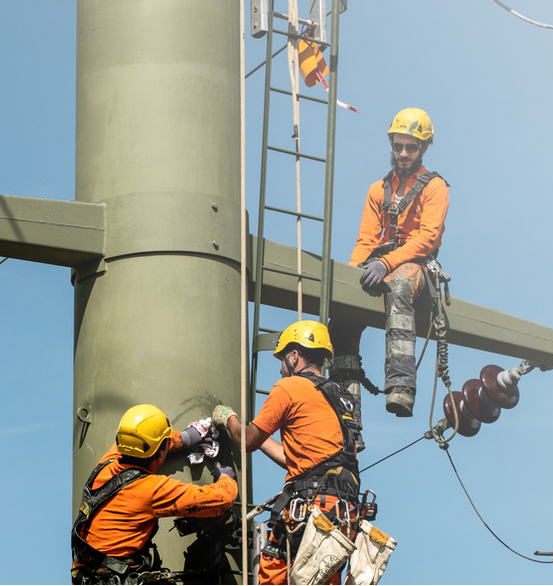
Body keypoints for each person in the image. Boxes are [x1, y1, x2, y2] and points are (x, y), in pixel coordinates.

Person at [212, 320, 360, 585]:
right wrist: (261, 438)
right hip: (342, 514)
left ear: (294, 356)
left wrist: (229, 420)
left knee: (274, 576)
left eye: (282, 360)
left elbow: (245, 441)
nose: (281, 369)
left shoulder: (289, 387)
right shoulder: (340, 397)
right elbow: (298, 459)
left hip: (309, 508)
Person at [329, 107, 449, 420]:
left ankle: (401, 386)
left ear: (424, 148)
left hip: (415, 267)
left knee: (399, 286)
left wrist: (388, 263)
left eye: (411, 147)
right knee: (340, 320)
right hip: (381, 262)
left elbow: (428, 239)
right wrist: (351, 279)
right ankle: (347, 417)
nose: (404, 153)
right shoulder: (377, 190)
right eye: (398, 146)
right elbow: (366, 241)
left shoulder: (434, 187)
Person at [71, 404, 238, 585]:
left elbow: (141, 441)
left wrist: (183, 438)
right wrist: (226, 479)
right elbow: (221, 500)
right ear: (160, 454)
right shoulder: (150, 490)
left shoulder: (108, 462)